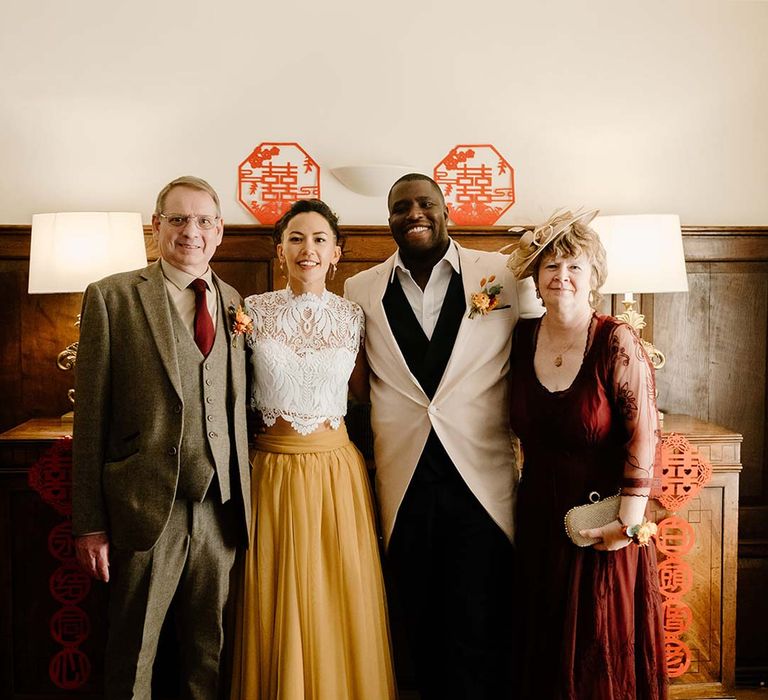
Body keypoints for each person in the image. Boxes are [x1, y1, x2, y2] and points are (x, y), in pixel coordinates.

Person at [344, 173, 542, 700]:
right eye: (401, 206)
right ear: (388, 219)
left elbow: (542, 343)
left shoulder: (501, 272)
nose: (414, 213)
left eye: (425, 203)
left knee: (481, 614)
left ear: (446, 211)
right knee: (419, 615)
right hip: (403, 474)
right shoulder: (359, 289)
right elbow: (359, 381)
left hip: (480, 473)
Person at [72, 176, 251, 699]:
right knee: (134, 653)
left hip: (219, 506)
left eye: (202, 221)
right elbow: (90, 424)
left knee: (208, 652)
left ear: (218, 231)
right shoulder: (112, 297)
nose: (190, 231)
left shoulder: (236, 300)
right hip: (145, 506)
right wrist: (89, 524)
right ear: (157, 227)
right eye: (177, 219)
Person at [230, 199, 396, 700]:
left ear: (336, 253)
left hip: (335, 470)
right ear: (280, 251)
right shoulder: (252, 311)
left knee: (336, 591)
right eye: (296, 239)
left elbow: (371, 393)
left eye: (319, 239)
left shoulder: (354, 316)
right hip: (271, 469)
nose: (308, 249)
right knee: (273, 593)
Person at [507, 208, 668, 699]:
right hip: (537, 516)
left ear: (594, 276)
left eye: (575, 266)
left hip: (603, 523)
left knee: (599, 646)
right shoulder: (520, 338)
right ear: (536, 277)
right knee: (542, 644)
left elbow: (645, 435)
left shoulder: (616, 340)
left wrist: (629, 525)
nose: (562, 277)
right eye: (552, 265)